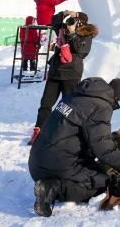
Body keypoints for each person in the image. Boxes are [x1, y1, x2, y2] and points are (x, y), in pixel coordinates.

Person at [29, 77, 120, 217]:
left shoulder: (74, 95)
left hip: (36, 164)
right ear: (117, 97)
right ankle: (52, 188)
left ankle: (50, 184)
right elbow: (103, 149)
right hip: (57, 165)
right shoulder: (102, 106)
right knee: (105, 182)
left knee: (94, 170)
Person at [29, 11, 98, 146]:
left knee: (68, 106)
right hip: (55, 72)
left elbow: (81, 51)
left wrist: (72, 33)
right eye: (71, 19)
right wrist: (65, 13)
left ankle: (65, 134)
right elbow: (53, 20)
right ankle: (38, 131)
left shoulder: (86, 34)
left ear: (81, 22)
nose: (71, 21)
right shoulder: (63, 29)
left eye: (74, 19)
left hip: (71, 74)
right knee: (45, 104)